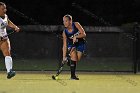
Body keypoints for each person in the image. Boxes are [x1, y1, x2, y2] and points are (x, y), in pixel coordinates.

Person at [62, 14, 86, 80]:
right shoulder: (64, 32)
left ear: (70, 21)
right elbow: (64, 45)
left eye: (66, 21)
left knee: (76, 60)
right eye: (63, 21)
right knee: (73, 56)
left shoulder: (76, 24)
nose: (64, 23)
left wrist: (76, 36)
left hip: (81, 44)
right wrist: (64, 57)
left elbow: (84, 34)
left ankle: (69, 61)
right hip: (71, 45)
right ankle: (73, 76)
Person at [0, 2, 20, 79]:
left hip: (4, 39)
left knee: (7, 54)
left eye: (5, 8)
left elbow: (8, 22)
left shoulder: (5, 16)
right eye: (2, 9)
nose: (5, 10)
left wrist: (15, 27)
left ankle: (9, 72)